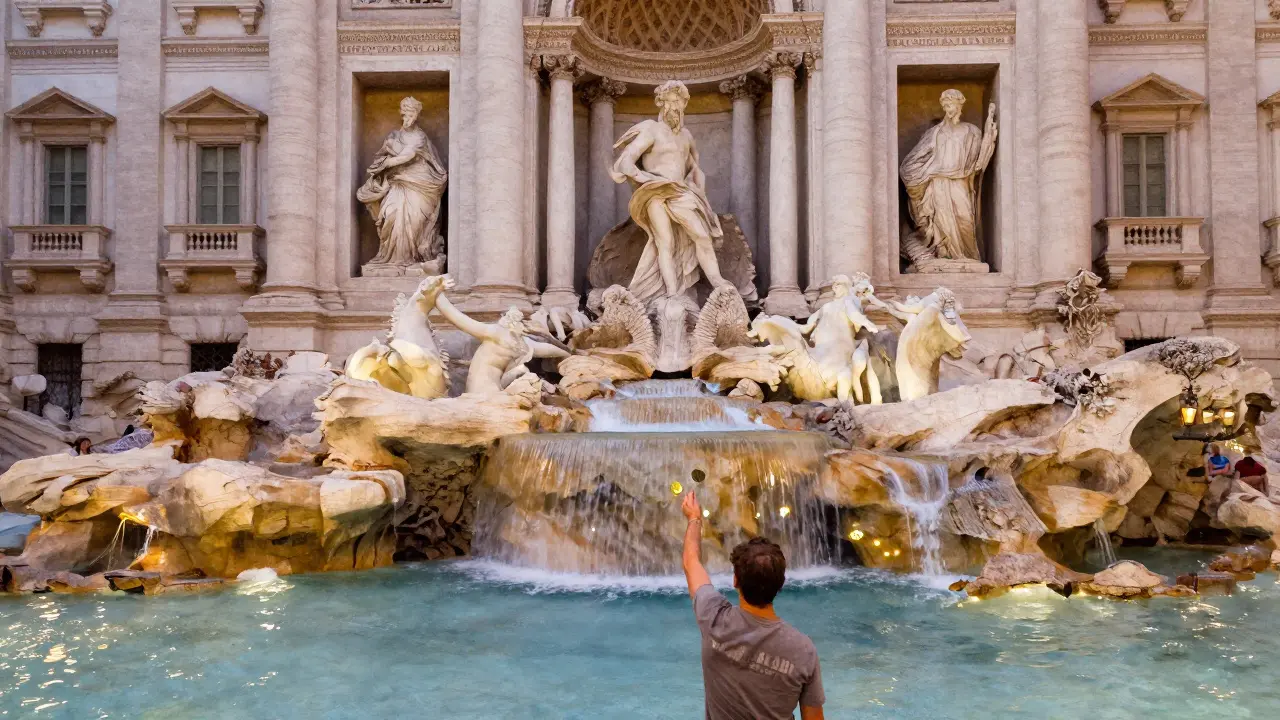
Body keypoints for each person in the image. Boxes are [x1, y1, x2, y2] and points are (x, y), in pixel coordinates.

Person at [680, 491, 825, 720]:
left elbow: (691, 562)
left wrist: (694, 517)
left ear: (735, 580)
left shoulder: (714, 619)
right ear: (781, 583)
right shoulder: (803, 650)